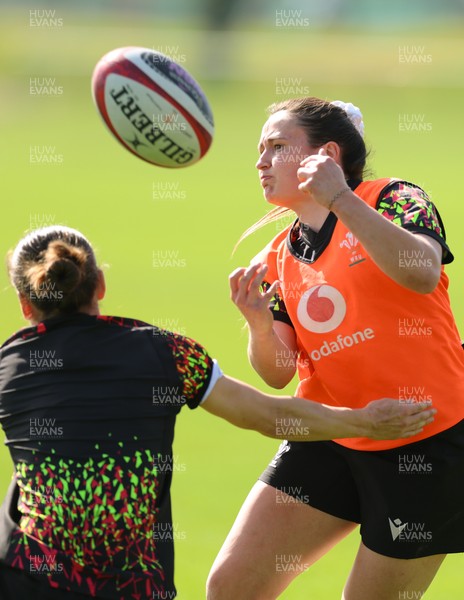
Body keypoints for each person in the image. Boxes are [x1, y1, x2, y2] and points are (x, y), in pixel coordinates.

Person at [0, 226, 433, 600]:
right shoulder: (164, 352)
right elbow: (265, 415)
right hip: (132, 585)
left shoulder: (7, 366)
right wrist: (363, 422)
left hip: (26, 576)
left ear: (24, 302)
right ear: (99, 286)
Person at [206, 97, 464, 600]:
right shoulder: (279, 254)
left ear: (325, 153)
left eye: (277, 146)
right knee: (232, 586)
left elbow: (421, 272)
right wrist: (258, 325)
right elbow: (278, 374)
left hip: (428, 440)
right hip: (334, 433)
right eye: (259, 148)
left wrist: (343, 199)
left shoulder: (394, 197)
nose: (260, 160)